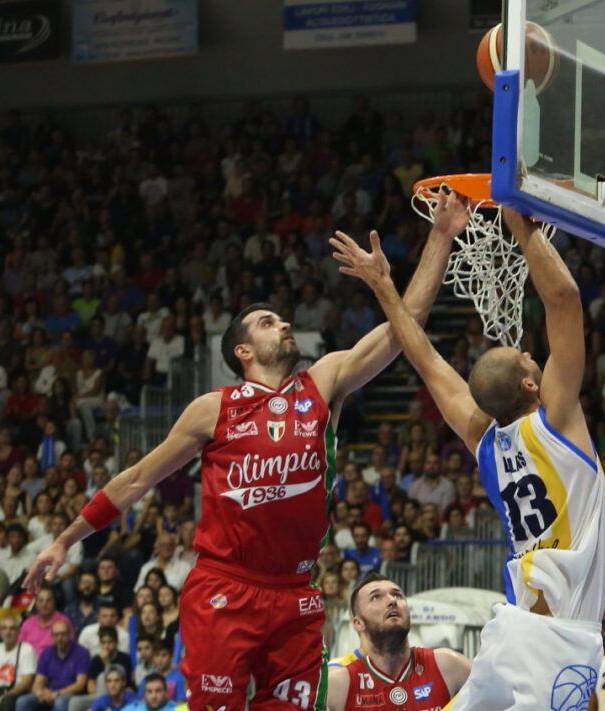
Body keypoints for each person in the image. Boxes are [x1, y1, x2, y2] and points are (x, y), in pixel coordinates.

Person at [25, 193, 466, 711]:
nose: (283, 325)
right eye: (267, 322)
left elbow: (402, 332)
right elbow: (136, 479)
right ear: (243, 351)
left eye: (282, 319)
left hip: (297, 594)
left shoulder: (321, 384)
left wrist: (440, 237)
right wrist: (64, 540)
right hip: (224, 591)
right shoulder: (212, 409)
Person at [331, 207, 605, 709]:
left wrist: (382, 286)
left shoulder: (484, 439)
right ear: (533, 386)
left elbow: (426, 358)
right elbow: (565, 299)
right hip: (559, 636)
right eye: (531, 359)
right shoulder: (559, 420)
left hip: (515, 628)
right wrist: (520, 221)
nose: (535, 356)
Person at [325, 573, 471, 711]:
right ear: (358, 623)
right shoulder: (339, 684)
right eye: (376, 597)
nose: (392, 601)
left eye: (397, 595)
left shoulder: (449, 665)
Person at [17, 621, 90, 711]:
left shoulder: (81, 653)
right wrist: (39, 692)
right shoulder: (46, 653)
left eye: (63, 634)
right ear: (52, 636)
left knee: (60, 702)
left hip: (71, 694)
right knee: (23, 701)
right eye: (56, 635)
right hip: (49, 693)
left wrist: (57, 694)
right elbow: (38, 681)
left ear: (69, 634)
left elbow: (80, 685)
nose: (60, 638)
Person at [0, 615, 37, 711]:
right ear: (0, 632)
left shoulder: (27, 649)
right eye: (4, 628)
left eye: (12, 629)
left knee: (7, 702)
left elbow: (26, 682)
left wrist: (1, 699)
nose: (8, 632)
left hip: (17, 693)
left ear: (18, 632)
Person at [20, 590, 74, 658]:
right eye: (41, 601)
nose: (44, 604)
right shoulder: (27, 624)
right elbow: (20, 649)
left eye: (48, 600)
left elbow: (70, 648)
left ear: (54, 602)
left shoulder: (64, 622)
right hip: (30, 664)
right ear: (36, 604)